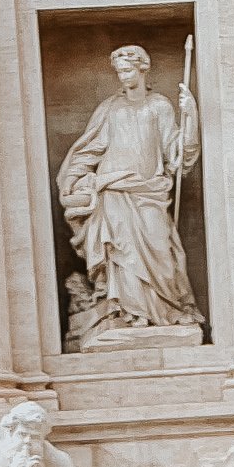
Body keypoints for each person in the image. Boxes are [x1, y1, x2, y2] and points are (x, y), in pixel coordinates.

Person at [56, 45, 201, 340]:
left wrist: (191, 119)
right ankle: (128, 313)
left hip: (149, 190)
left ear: (143, 68)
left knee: (160, 246)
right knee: (120, 251)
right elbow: (91, 148)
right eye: (119, 71)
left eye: (128, 70)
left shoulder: (159, 106)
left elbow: (176, 154)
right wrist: (75, 177)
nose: (123, 76)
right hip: (113, 189)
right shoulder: (110, 108)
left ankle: (166, 309)